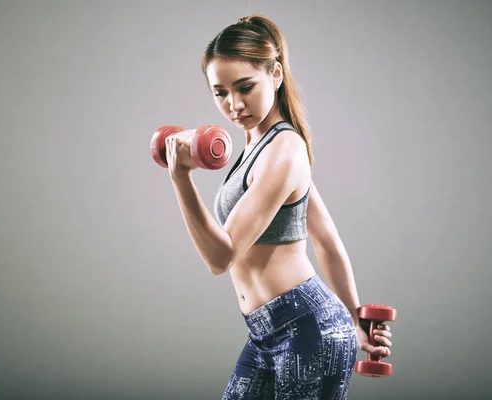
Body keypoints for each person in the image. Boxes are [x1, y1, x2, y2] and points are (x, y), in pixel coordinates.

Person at [164, 14, 393, 399]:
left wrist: (181, 179)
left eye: (245, 87)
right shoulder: (258, 148)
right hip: (265, 333)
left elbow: (221, 257)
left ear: (275, 75)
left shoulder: (286, 150)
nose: (234, 104)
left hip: (307, 330)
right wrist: (357, 320)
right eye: (220, 92)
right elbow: (326, 240)